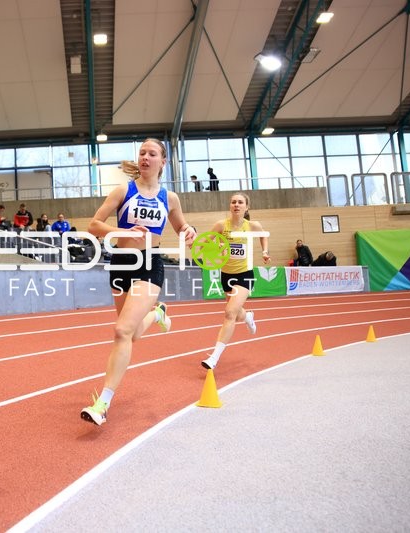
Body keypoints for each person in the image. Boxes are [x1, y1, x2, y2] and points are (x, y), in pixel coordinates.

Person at [80, 138, 196, 426]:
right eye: (142, 152)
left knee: (121, 331)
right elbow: (94, 225)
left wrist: (190, 230)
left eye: (152, 153)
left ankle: (102, 403)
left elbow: (181, 225)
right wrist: (123, 229)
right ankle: (157, 313)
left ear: (162, 162)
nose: (145, 157)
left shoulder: (170, 198)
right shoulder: (123, 190)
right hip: (120, 263)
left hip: (150, 263)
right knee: (131, 335)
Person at [201, 193, 270, 370]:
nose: (236, 205)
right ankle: (248, 317)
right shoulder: (220, 225)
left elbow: (263, 236)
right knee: (237, 313)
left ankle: (214, 357)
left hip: (244, 274)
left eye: (240, 202)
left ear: (247, 207)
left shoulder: (252, 226)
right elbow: (205, 243)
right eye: (233, 202)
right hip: (226, 275)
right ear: (230, 206)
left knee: (229, 313)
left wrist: (264, 252)